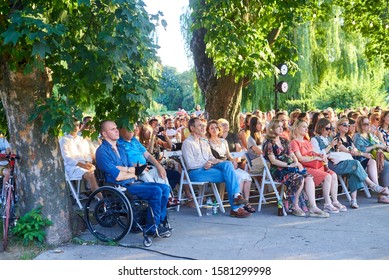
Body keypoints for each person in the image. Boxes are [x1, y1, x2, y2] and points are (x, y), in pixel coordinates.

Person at [95, 120, 171, 236]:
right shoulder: (102, 152)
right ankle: (152, 228)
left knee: (165, 188)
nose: (116, 130)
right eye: (112, 129)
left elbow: (133, 169)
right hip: (118, 187)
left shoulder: (121, 148)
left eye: (116, 128)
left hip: (132, 182)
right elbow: (118, 176)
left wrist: (125, 170)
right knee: (156, 191)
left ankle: (159, 222)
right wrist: (129, 172)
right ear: (104, 134)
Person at [181, 117, 251, 218]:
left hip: (209, 168)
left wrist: (214, 162)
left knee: (227, 165)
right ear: (192, 128)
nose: (202, 127)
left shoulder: (204, 142)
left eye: (203, 125)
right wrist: (206, 164)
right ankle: (236, 207)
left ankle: (237, 197)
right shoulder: (187, 143)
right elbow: (190, 164)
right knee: (229, 175)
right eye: (200, 125)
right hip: (196, 172)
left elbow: (211, 157)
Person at [263, 119, 327, 217]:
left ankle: (313, 207)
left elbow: (292, 155)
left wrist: (297, 163)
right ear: (272, 128)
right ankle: (295, 205)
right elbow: (273, 161)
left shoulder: (284, 140)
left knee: (309, 178)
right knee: (299, 178)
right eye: (278, 126)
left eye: (281, 126)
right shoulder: (268, 143)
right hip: (278, 170)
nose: (281, 128)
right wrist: (289, 165)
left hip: (291, 167)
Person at [118, 127, 181, 207]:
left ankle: (167, 198)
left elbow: (147, 155)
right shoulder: (118, 143)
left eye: (133, 129)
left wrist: (159, 166)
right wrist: (139, 167)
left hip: (146, 166)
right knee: (145, 174)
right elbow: (122, 161)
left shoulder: (134, 140)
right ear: (120, 130)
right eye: (128, 129)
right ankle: (160, 198)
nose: (132, 131)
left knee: (158, 172)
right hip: (134, 170)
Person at [290, 119, 341, 215]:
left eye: (307, 127)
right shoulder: (294, 142)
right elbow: (300, 159)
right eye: (304, 127)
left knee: (333, 174)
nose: (306, 129)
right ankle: (327, 203)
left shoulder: (307, 141)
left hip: (315, 165)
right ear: (297, 129)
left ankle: (334, 201)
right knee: (327, 176)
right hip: (307, 167)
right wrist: (315, 157)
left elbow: (313, 153)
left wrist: (321, 156)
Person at [335, 117, 387, 208]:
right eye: (344, 125)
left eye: (348, 125)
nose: (347, 127)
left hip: (354, 161)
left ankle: (376, 189)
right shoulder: (338, 138)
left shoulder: (349, 138)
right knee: (356, 166)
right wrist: (364, 153)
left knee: (370, 162)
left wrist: (364, 153)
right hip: (343, 163)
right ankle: (373, 187)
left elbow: (355, 150)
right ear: (338, 127)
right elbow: (350, 151)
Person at [206, 120, 255, 213]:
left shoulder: (223, 141)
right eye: (211, 128)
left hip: (228, 163)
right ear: (208, 130)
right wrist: (226, 162)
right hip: (218, 165)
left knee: (246, 177)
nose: (214, 129)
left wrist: (233, 161)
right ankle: (237, 202)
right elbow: (210, 158)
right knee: (239, 177)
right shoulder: (207, 143)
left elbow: (228, 155)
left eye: (216, 127)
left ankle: (245, 202)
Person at [353, 116, 389, 203]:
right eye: (365, 124)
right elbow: (361, 150)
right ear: (360, 125)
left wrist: (384, 148)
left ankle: (384, 192)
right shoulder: (358, 136)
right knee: (386, 165)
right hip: (363, 160)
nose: (368, 126)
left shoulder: (371, 135)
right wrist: (375, 146)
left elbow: (381, 145)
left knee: (385, 163)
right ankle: (382, 194)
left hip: (377, 158)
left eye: (368, 124)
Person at [59, 119, 99, 193]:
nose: (75, 127)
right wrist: (82, 165)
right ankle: (101, 198)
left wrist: (88, 163)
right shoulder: (63, 140)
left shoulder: (82, 139)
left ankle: (95, 193)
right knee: (90, 175)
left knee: (96, 169)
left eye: (77, 125)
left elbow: (87, 154)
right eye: (72, 125)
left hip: (84, 165)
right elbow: (67, 159)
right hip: (71, 167)